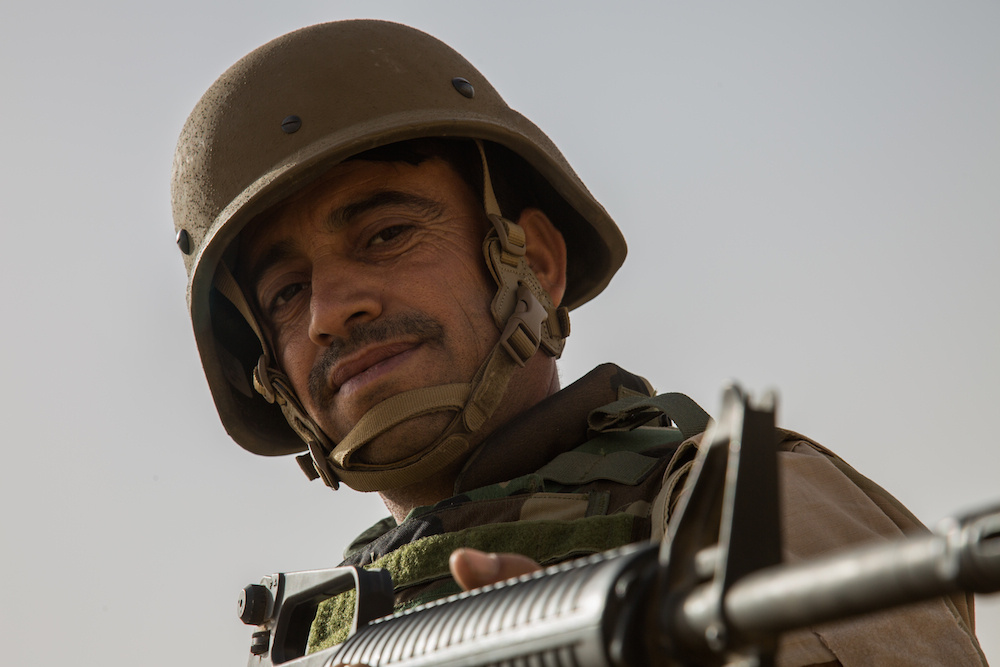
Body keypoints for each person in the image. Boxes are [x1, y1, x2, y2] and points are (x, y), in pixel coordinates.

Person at [171, 20, 988, 665]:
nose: (329, 312)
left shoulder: (741, 505)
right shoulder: (321, 623)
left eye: (386, 234)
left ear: (534, 263)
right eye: (285, 293)